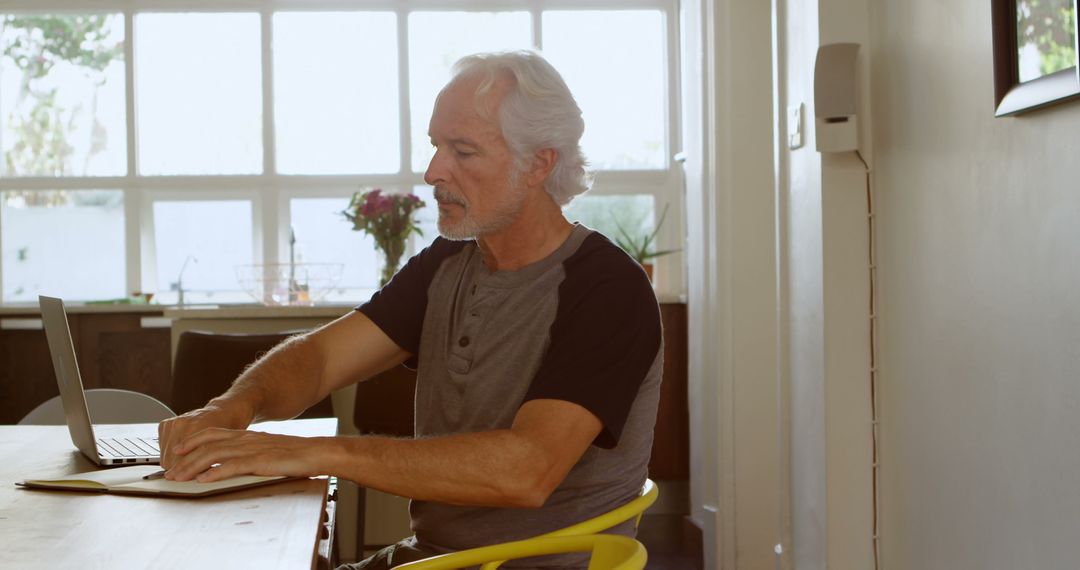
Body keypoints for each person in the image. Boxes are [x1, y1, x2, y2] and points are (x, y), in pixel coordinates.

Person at [158, 50, 663, 569]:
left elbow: (525, 470)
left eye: (462, 152)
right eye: (435, 146)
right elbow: (320, 359)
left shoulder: (607, 288)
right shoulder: (448, 264)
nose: (431, 172)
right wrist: (231, 408)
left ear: (538, 162)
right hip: (429, 559)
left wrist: (317, 453)